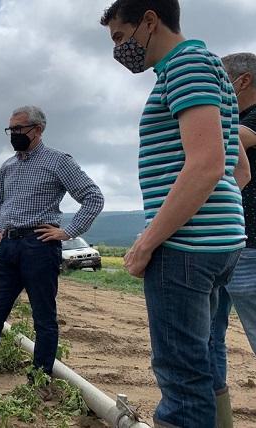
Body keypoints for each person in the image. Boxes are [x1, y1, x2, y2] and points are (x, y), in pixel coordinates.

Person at [101, 1, 250, 426]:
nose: (119, 49)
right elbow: (236, 169)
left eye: (119, 36)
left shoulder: (186, 65)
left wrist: (147, 243)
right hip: (218, 244)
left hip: (183, 248)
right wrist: (218, 211)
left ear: (150, 20)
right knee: (206, 357)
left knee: (181, 379)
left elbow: (205, 164)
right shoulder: (207, 68)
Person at [0, 106, 104, 380]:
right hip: (8, 246)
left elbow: (93, 197)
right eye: (11, 130)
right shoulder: (8, 166)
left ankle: (40, 379)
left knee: (43, 316)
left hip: (40, 246)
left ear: (38, 129)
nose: (14, 134)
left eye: (19, 129)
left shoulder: (58, 161)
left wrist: (67, 232)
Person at [210, 51, 256, 425]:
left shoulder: (245, 122)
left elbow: (238, 135)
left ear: (242, 82)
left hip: (253, 251)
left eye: (220, 80)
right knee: (209, 339)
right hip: (221, 246)